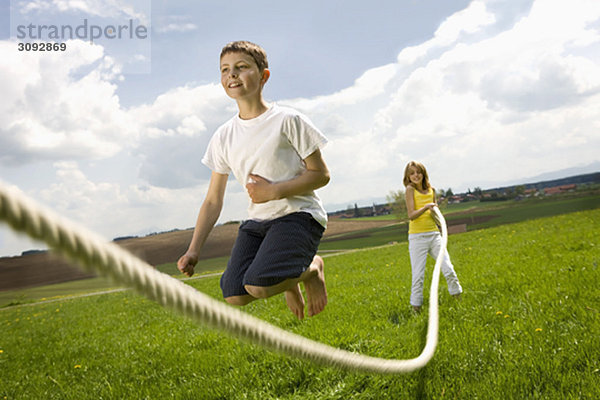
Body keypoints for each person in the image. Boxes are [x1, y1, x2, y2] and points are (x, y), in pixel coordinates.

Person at [177, 41, 329, 320]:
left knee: (259, 285)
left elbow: (321, 174)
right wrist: (194, 250)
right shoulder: (223, 136)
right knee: (234, 294)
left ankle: (312, 269)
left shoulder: (288, 120)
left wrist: (273, 191)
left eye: (241, 67)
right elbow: (213, 199)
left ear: (263, 76)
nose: (232, 75)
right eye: (225, 70)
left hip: (298, 216)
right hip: (257, 223)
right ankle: (287, 279)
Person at [403, 161, 462, 312]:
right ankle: (416, 309)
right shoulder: (410, 190)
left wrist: (442, 226)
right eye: (412, 173)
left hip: (435, 235)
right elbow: (411, 215)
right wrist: (426, 207)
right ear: (408, 177)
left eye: (418, 172)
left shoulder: (431, 190)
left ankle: (459, 301)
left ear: (423, 173)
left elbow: (435, 214)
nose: (416, 175)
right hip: (417, 238)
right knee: (418, 276)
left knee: (449, 269)